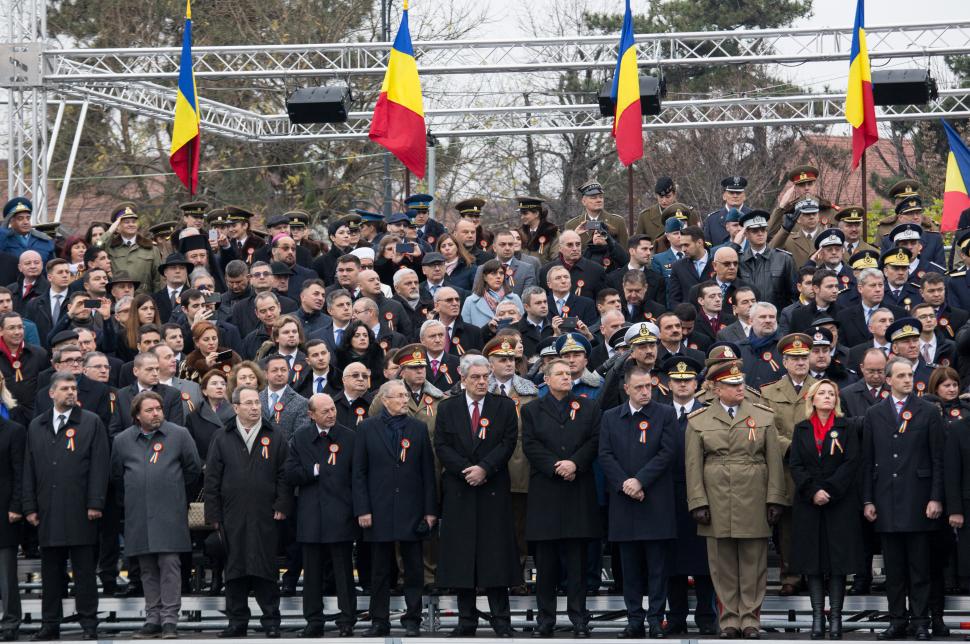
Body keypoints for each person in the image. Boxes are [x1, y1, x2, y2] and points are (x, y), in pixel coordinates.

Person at [685, 359, 786, 639]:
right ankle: (729, 619)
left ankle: (750, 619)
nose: (739, 388)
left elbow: (774, 461)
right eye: (731, 385)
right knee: (723, 564)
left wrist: (775, 498)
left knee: (754, 562)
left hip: (754, 493)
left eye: (740, 383)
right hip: (717, 497)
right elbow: (693, 466)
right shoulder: (699, 420)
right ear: (717, 389)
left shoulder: (763, 416)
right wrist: (698, 502)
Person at [434, 355, 520, 638]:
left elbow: (508, 443)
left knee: (495, 557)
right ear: (463, 379)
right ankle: (466, 620)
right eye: (476, 378)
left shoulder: (504, 406)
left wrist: (484, 468)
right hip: (460, 490)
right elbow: (442, 445)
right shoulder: (447, 408)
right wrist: (465, 470)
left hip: (492, 488)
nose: (482, 382)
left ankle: (501, 620)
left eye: (486, 377)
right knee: (462, 558)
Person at [862, 357, 945, 641]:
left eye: (910, 374)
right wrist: (867, 500)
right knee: (894, 570)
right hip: (886, 500)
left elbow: (937, 459)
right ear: (888, 380)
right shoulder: (874, 414)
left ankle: (921, 621)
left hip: (919, 499)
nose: (908, 379)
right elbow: (868, 460)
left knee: (920, 568)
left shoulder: (928, 411)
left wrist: (936, 497)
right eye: (901, 375)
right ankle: (897, 620)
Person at [23, 373, 109, 641]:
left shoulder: (90, 422)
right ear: (52, 393)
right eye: (65, 388)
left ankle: (88, 623)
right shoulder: (37, 425)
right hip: (47, 509)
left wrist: (95, 502)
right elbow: (29, 468)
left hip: (81, 509)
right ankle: (50, 624)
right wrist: (29, 506)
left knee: (83, 571)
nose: (71, 392)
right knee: (51, 573)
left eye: (73, 388)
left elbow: (99, 466)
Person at [111, 391, 202, 640]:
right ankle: (153, 619)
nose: (156, 414)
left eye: (159, 409)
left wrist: (174, 493)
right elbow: (117, 477)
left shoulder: (179, 435)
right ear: (137, 415)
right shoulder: (122, 441)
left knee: (170, 565)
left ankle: (170, 620)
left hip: (170, 512)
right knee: (146, 568)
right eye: (149, 410)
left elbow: (193, 470)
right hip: (138, 513)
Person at [204, 386, 292, 638]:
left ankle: (271, 621)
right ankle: (237, 622)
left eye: (257, 402)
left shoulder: (275, 435)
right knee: (235, 570)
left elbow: (285, 474)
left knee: (265, 569)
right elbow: (211, 479)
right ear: (236, 407)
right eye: (249, 403)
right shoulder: (222, 437)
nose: (255, 407)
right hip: (232, 516)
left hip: (266, 514)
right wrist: (214, 515)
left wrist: (282, 504)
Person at [352, 380, 437, 637]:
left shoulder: (418, 429)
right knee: (380, 570)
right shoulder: (367, 428)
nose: (404, 400)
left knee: (413, 568)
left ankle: (413, 619)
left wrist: (430, 511)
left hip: (411, 508)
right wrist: (362, 509)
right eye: (399, 396)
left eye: (405, 396)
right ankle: (379, 620)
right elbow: (359, 472)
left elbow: (428, 473)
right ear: (385, 400)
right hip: (378, 509)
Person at [599, 362, 676, 639]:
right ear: (626, 388)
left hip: (655, 501)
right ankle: (634, 619)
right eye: (639, 387)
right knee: (629, 569)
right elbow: (605, 455)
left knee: (657, 567)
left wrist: (640, 480)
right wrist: (625, 484)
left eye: (649, 386)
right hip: (625, 503)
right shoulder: (611, 417)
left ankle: (656, 619)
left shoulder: (665, 414)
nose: (645, 392)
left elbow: (667, 453)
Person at [788, 380, 864, 640]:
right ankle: (818, 618)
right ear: (812, 398)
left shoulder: (847, 427)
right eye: (822, 393)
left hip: (839, 504)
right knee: (814, 564)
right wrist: (813, 491)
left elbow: (852, 462)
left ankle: (835, 621)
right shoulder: (801, 429)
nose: (827, 397)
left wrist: (829, 490)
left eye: (831, 393)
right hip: (809, 505)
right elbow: (796, 464)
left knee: (837, 564)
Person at [284, 393, 357, 638]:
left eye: (333, 410)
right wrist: (315, 470)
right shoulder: (301, 437)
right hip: (311, 515)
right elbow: (290, 473)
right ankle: (313, 621)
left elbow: (356, 476)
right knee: (312, 574)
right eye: (325, 411)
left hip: (341, 513)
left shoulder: (348, 437)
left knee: (343, 573)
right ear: (311, 414)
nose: (331, 414)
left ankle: (347, 620)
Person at [659, 355, 717, 636]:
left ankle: (707, 616)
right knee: (672, 562)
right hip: (668, 495)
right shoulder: (659, 413)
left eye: (688, 380)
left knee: (704, 561)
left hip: (704, 495)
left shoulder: (709, 412)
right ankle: (677, 616)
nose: (683, 385)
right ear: (668, 384)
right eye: (677, 381)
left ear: (698, 384)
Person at [0, 401, 24, 641]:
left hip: (4, 512)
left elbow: (19, 472)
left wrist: (16, 506)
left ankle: (10, 622)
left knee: (6, 574)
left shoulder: (14, 431)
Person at [461, 259, 524, 327]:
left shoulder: (515, 299)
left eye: (501, 273)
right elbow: (466, 330)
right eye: (493, 273)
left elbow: (523, 326)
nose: (498, 276)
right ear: (484, 277)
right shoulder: (470, 301)